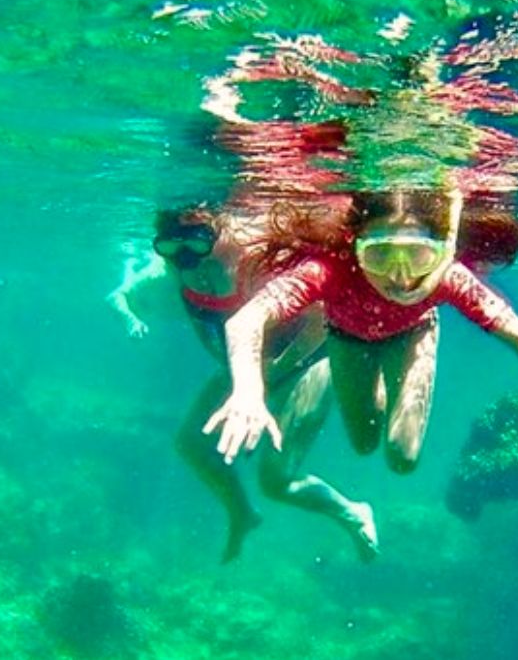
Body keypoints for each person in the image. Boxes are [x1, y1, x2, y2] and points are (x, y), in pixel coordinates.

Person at [204, 187, 518, 473]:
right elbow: (248, 318)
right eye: (381, 255)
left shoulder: (449, 279)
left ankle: (390, 375)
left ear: (441, 252)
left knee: (403, 458)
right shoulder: (329, 271)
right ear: (355, 247)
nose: (400, 277)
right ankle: (372, 382)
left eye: (418, 255)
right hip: (346, 338)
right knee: (364, 442)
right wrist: (247, 391)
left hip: (413, 335)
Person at [107, 205, 378, 563]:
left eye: (200, 244)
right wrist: (128, 319)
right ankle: (242, 514)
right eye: (171, 248)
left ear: (218, 238)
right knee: (190, 446)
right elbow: (121, 295)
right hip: (248, 367)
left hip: (310, 359)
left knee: (275, 480)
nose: (189, 258)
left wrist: (272, 376)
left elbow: (321, 320)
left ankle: (351, 512)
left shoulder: (252, 263)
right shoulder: (172, 271)